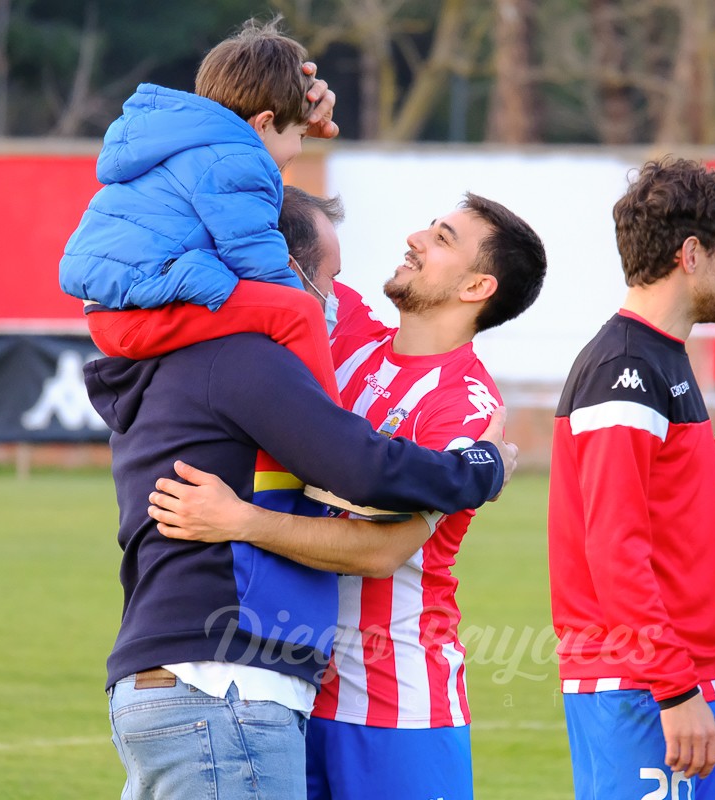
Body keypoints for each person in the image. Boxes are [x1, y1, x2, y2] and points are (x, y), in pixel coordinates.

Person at [86, 209, 519, 800]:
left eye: (442, 239)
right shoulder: (346, 333)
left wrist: (242, 520)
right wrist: (280, 123)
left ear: (477, 287)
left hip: (394, 697)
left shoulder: (463, 408)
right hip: (286, 683)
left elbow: (383, 552)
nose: (414, 238)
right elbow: (267, 239)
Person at [548, 156, 715, 800]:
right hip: (644, 685)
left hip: (665, 677)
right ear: (692, 254)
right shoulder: (626, 367)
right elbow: (615, 546)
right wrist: (674, 687)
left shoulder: (657, 357)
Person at [61, 18, 343, 396]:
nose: (298, 148)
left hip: (114, 311)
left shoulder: (182, 140)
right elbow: (258, 260)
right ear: (264, 123)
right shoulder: (238, 159)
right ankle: (327, 433)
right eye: (300, 135)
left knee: (257, 308)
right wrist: (296, 313)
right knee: (299, 312)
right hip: (141, 315)